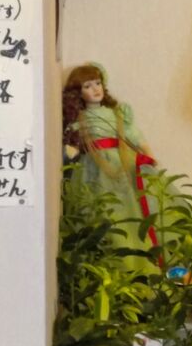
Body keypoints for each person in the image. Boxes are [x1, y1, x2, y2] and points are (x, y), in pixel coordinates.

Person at [61, 63, 159, 242]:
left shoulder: (116, 114)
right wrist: (71, 150)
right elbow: (73, 142)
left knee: (127, 202)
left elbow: (133, 135)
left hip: (120, 161)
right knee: (98, 202)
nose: (95, 89)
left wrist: (148, 153)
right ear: (78, 93)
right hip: (93, 164)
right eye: (87, 86)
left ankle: (131, 238)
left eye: (97, 83)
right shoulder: (80, 118)